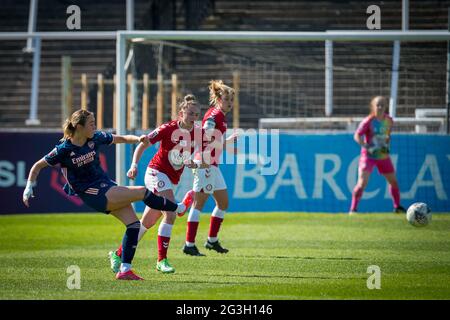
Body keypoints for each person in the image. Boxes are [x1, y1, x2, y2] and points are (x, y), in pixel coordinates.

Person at [22, 109, 193, 281]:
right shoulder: (63, 149)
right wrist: (29, 187)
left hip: (105, 186)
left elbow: (121, 138)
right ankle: (179, 207)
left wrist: (138, 139)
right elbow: (37, 166)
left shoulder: (95, 137)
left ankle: (125, 270)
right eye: (91, 123)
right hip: (93, 193)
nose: (94, 126)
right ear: (79, 127)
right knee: (142, 191)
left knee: (133, 225)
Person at [109, 95, 208, 273]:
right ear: (181, 113)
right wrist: (134, 165)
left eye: (196, 114)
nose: (194, 117)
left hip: (171, 180)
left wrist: (195, 162)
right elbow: (143, 144)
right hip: (156, 173)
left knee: (146, 223)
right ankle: (162, 261)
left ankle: (118, 253)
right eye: (190, 113)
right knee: (169, 215)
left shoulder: (198, 133)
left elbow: (204, 155)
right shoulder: (167, 128)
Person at [183, 80, 239, 256]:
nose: (230, 103)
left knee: (223, 203)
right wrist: (227, 142)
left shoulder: (220, 115)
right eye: (227, 99)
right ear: (219, 99)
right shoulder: (214, 115)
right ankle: (189, 244)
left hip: (213, 165)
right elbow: (206, 136)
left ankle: (211, 241)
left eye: (232, 100)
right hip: (205, 164)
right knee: (198, 205)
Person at [349, 96, 406, 215]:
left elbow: (387, 136)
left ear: (386, 107)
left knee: (393, 182)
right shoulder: (368, 121)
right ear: (373, 106)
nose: (380, 107)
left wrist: (386, 145)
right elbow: (357, 136)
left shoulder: (389, 121)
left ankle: (397, 207)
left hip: (383, 156)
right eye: (377, 105)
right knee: (362, 183)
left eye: (382, 105)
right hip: (368, 156)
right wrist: (366, 146)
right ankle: (353, 209)